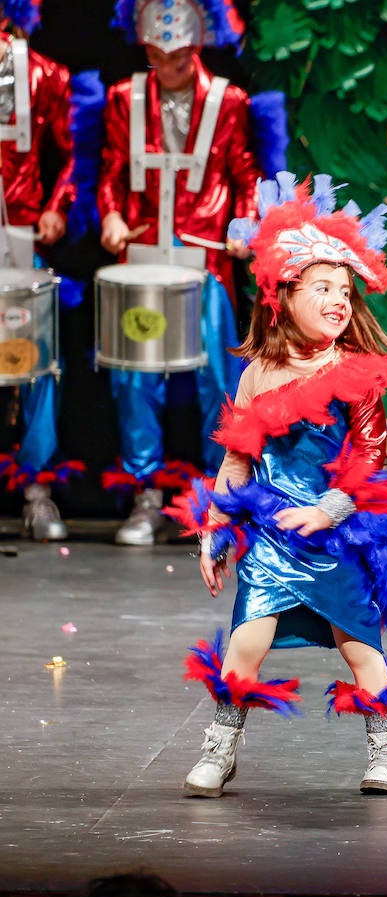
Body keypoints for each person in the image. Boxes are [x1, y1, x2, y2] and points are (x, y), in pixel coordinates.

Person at [168, 172, 387, 797]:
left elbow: (368, 458)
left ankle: (384, 750)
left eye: (345, 289)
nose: (339, 298)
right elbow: (236, 462)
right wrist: (214, 529)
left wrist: (330, 512)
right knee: (243, 648)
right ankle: (220, 748)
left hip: (335, 537)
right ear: (284, 295)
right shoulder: (258, 373)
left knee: (362, 651)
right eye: (323, 287)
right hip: (275, 538)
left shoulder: (358, 375)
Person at [99, 0, 262, 545]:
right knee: (133, 374)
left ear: (195, 49)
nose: (162, 66)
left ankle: (220, 500)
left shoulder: (229, 102)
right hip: (143, 259)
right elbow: (112, 172)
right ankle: (146, 495)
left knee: (219, 378)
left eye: (173, 57)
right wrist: (114, 215)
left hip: (205, 260)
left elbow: (244, 173)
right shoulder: (124, 99)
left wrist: (245, 223)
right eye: (153, 55)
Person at [0, 0, 80, 540]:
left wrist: (57, 204)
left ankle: (36, 487)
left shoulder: (44, 74)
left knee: (35, 359)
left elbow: (76, 154)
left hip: (19, 235)